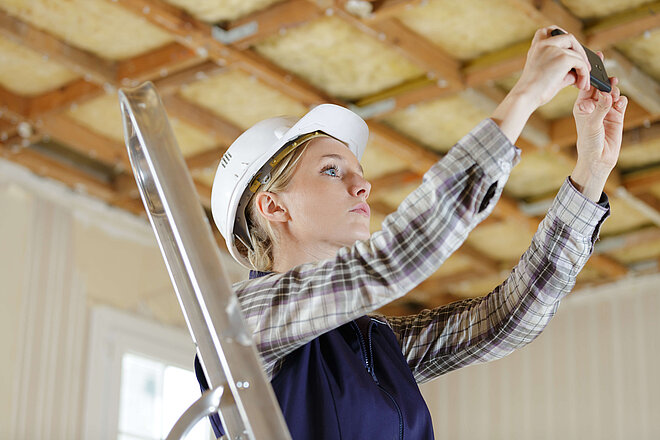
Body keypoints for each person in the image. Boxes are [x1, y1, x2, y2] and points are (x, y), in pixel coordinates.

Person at [194, 27, 627, 439]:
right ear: (272, 205)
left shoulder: (376, 343)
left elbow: (504, 320)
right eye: (331, 170)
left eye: (358, 172)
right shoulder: (244, 321)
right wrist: (525, 95)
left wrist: (591, 170)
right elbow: (391, 260)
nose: (362, 185)